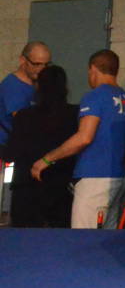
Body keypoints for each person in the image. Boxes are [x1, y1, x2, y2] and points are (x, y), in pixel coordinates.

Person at [30, 50, 125, 228]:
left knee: (83, 236)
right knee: (107, 237)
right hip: (120, 179)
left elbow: (84, 137)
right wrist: (123, 168)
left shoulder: (95, 96)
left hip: (94, 177)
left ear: (93, 69)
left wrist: (46, 159)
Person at [7, 64, 77, 227]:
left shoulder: (24, 116)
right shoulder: (74, 114)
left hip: (26, 189)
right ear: (65, 88)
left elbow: (11, 152)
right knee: (60, 238)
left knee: (24, 239)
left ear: (38, 87)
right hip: (61, 188)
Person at [0, 41, 51, 155]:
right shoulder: (13, 86)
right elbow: (23, 122)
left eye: (46, 65)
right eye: (36, 64)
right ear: (23, 60)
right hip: (6, 148)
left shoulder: (38, 84)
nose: (42, 69)